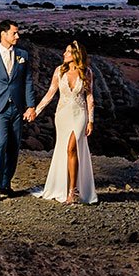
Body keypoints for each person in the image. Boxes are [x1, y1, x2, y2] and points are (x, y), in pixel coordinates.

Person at [33, 40, 99, 205]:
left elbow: (90, 97)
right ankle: (63, 186)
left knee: (72, 148)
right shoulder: (59, 71)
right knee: (65, 150)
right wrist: (36, 110)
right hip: (62, 115)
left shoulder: (87, 72)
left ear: (75, 55)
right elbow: (50, 94)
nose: (64, 54)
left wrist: (91, 121)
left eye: (67, 52)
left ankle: (73, 191)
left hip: (80, 115)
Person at [0, 20, 36, 201]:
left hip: (17, 109)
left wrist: (31, 106)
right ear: (3, 34)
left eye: (17, 33)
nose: (17, 36)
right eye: (14, 33)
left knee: (14, 147)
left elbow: (27, 82)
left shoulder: (22, 55)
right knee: (0, 144)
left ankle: (6, 184)